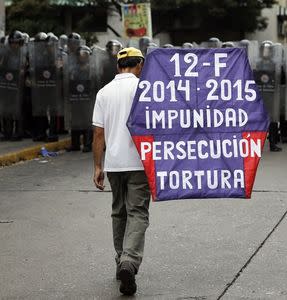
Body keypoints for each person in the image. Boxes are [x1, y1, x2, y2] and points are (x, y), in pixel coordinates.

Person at [92, 47, 150, 296]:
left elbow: (98, 134)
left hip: (114, 164)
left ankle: (120, 261)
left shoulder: (104, 92)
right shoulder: (145, 90)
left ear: (118, 66)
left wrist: (97, 166)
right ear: (139, 66)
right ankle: (129, 261)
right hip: (139, 162)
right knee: (137, 213)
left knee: (119, 213)